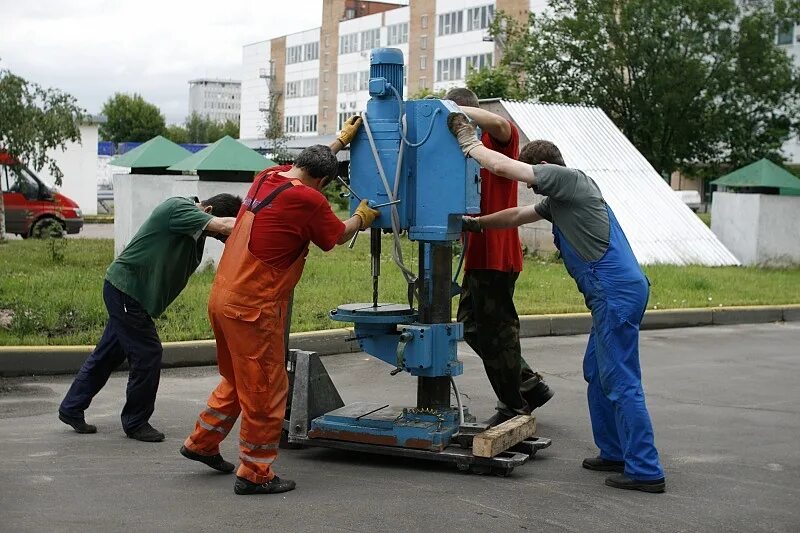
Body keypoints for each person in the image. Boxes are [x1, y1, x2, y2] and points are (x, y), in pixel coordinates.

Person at [448, 113, 666, 494]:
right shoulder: (560, 201)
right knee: (597, 372)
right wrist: (475, 223)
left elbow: (505, 166)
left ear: (545, 167)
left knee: (620, 378)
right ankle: (614, 451)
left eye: (536, 175)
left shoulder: (568, 179)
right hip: (612, 292)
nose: (536, 185)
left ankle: (646, 469)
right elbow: (517, 215)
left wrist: (470, 144)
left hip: (615, 292)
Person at [180, 117, 380, 496]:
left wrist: (336, 143)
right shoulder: (309, 198)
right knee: (267, 389)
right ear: (322, 181)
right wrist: (361, 218)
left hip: (223, 297)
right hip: (253, 308)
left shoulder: (267, 176)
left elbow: (310, 165)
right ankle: (255, 473)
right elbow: (336, 236)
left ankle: (202, 442)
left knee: (238, 381)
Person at [59, 194, 242, 442]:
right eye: (219, 237)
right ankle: (136, 422)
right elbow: (222, 225)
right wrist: (256, 223)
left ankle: (71, 407)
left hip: (133, 295)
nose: (219, 240)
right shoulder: (179, 209)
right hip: (127, 291)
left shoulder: (193, 228)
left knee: (108, 353)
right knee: (148, 353)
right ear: (208, 210)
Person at [444, 88, 553, 427]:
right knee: (471, 327)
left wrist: (454, 112)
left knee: (498, 332)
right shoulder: (462, 152)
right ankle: (528, 384)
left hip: (497, 252)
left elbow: (500, 123)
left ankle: (513, 405)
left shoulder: (494, 144)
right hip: (478, 254)